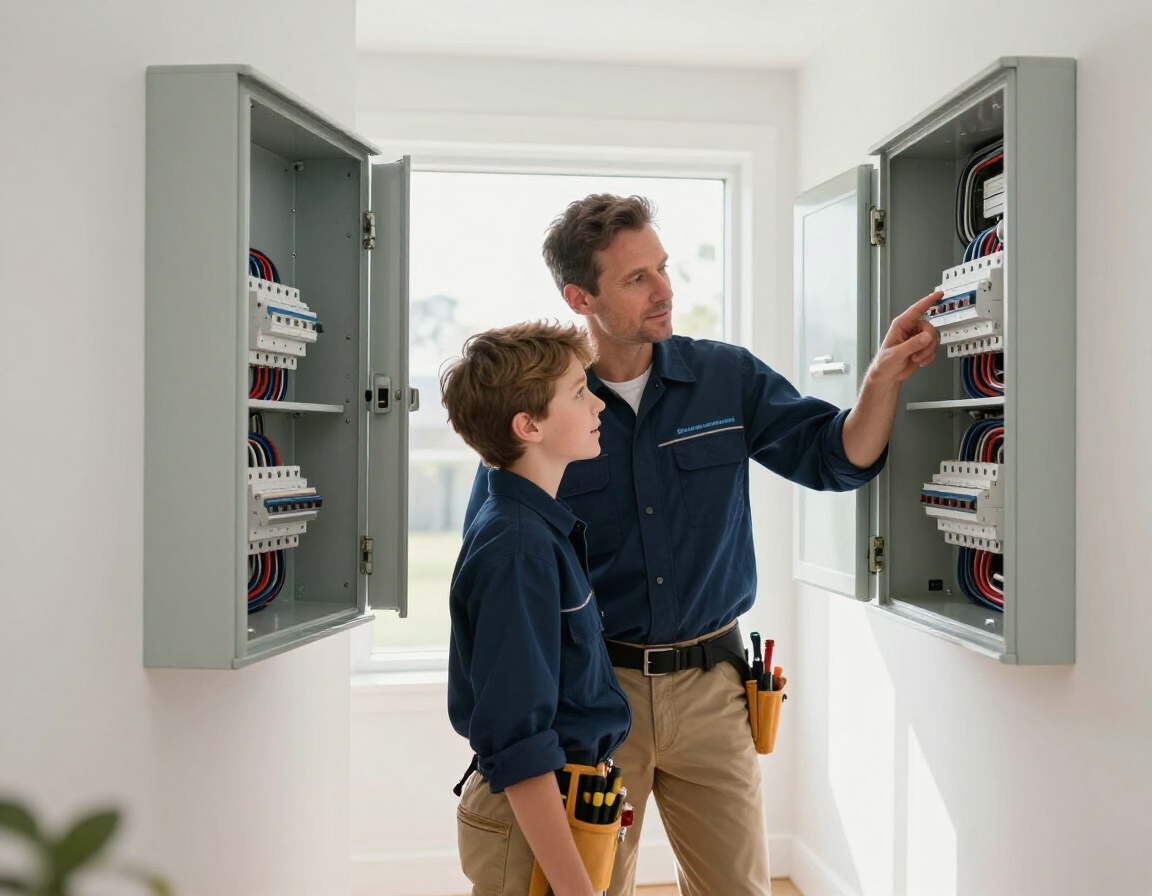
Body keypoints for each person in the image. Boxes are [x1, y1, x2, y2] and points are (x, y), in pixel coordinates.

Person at [464, 195, 942, 896]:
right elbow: (504, 570)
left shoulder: (726, 377)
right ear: (580, 296)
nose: (665, 290)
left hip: (714, 691)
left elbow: (834, 458)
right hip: (597, 697)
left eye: (662, 268)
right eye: (635, 279)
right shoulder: (545, 413)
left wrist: (879, 380)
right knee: (590, 885)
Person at [443, 321, 632, 896]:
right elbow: (519, 744)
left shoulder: (537, 530)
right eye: (578, 391)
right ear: (528, 425)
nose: (598, 401)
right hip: (532, 819)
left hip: (565, 805)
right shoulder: (518, 549)